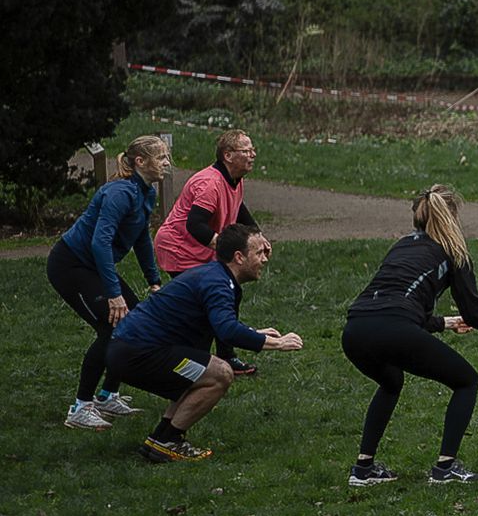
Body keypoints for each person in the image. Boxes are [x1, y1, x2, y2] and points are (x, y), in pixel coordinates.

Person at [341, 185, 478, 486]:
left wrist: (445, 323)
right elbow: (473, 307)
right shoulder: (453, 251)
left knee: (391, 381)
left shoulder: (401, 245)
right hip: (394, 328)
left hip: (355, 330)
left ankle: (363, 469)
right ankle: (445, 468)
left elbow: (397, 300)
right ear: (450, 218)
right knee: (466, 381)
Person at [105, 224, 304, 462]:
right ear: (239, 257)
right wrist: (277, 344)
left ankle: (161, 439)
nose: (264, 260)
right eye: (259, 253)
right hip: (138, 353)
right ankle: (170, 440)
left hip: (130, 350)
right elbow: (228, 330)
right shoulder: (218, 283)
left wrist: (253, 332)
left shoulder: (215, 275)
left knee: (199, 369)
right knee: (220, 374)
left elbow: (220, 324)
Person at [46, 135, 171, 431]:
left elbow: (141, 238)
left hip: (91, 265)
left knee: (133, 322)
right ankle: (80, 407)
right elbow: (99, 243)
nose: (167, 163)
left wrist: (154, 281)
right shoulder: (119, 193)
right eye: (162, 158)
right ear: (141, 162)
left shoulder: (146, 193)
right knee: (111, 326)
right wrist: (114, 294)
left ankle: (107, 395)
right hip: (71, 265)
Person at [154, 129, 261, 375]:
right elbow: (195, 224)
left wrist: (257, 236)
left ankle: (223, 356)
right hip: (178, 248)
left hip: (200, 249)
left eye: (252, 149)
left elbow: (239, 207)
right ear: (228, 155)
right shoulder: (210, 183)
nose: (253, 155)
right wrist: (224, 248)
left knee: (227, 293)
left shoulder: (235, 179)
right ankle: (187, 361)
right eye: (246, 151)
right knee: (205, 303)